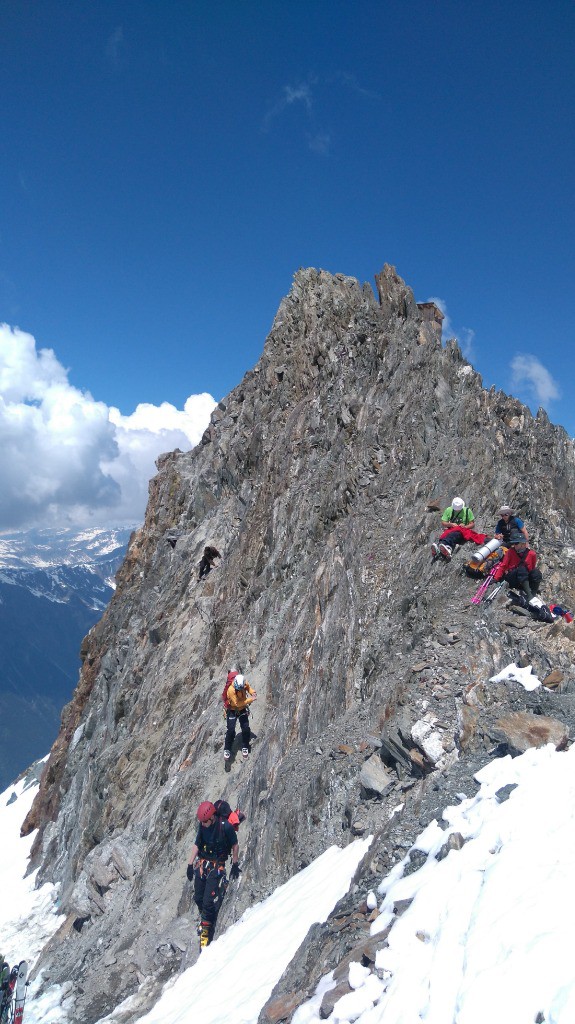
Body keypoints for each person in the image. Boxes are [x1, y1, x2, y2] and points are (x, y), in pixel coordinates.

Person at [187, 801, 240, 948]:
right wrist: (190, 864)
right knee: (198, 897)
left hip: (217, 866)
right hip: (203, 864)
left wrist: (234, 864)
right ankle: (205, 917)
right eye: (202, 822)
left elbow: (235, 845)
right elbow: (197, 844)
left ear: (212, 818)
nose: (203, 824)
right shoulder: (203, 826)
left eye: (205, 822)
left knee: (207, 901)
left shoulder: (225, 827)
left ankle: (206, 929)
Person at [491, 529, 542, 606]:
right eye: (514, 544)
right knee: (521, 569)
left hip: (524, 578)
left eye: (516, 543)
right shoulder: (510, 552)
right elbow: (503, 566)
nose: (514, 545)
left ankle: (533, 594)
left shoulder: (532, 554)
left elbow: (532, 568)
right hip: (513, 578)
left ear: (522, 544)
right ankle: (530, 596)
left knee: (536, 572)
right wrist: (496, 578)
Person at [224, 674, 257, 761]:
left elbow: (248, 687)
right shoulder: (231, 690)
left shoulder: (243, 683)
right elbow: (237, 704)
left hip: (242, 709)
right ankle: (227, 748)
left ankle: (245, 745)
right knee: (231, 730)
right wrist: (251, 699)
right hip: (232, 709)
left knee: (245, 727)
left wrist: (252, 692)